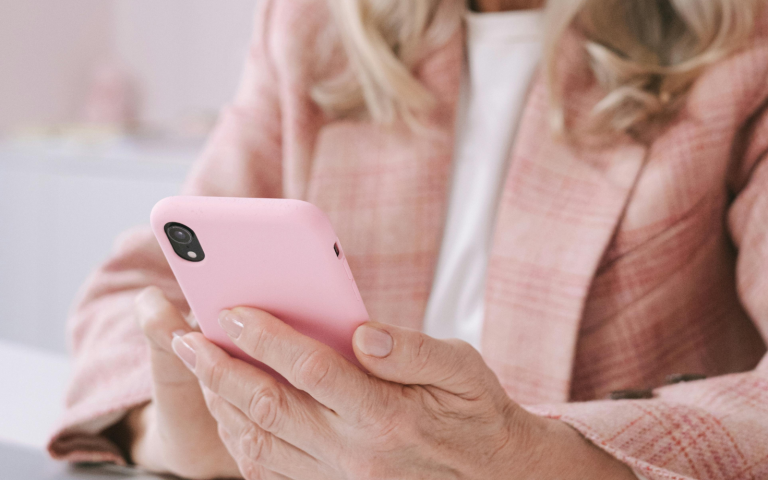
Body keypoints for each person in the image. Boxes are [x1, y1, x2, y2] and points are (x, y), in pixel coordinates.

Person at [48, 0, 768, 478]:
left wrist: (534, 460)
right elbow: (125, 296)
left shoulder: (745, 47)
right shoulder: (313, 27)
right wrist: (173, 435)